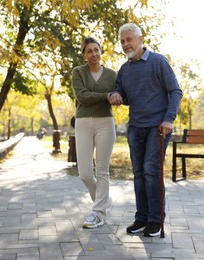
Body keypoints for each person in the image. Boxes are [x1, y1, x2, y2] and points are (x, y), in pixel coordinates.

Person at [109, 23, 183, 237]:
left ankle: (155, 220)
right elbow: (121, 91)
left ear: (141, 39)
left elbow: (175, 91)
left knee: (152, 172)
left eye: (129, 39)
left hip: (158, 128)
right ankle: (141, 218)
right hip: (136, 127)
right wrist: (116, 95)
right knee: (139, 174)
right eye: (122, 41)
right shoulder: (124, 69)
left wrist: (168, 119)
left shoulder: (158, 62)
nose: (125, 44)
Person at [72, 37, 117, 229]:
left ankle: (98, 212)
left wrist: (109, 98)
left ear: (101, 51)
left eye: (96, 50)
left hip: (105, 123)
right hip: (83, 123)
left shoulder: (112, 75)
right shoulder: (78, 72)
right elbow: (82, 96)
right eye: (89, 51)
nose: (93, 54)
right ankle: (104, 201)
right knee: (85, 174)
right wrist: (106, 96)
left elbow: (119, 95)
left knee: (102, 170)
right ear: (84, 54)